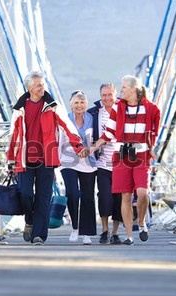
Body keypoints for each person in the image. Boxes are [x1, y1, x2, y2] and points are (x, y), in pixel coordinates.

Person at [6, 71, 86, 245]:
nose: (42, 87)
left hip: (47, 158)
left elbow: (67, 126)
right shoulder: (20, 108)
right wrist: (10, 159)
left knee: (43, 197)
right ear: (29, 88)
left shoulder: (52, 105)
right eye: (38, 85)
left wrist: (77, 145)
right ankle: (29, 219)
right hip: (25, 159)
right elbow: (13, 135)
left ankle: (39, 235)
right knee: (25, 194)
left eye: (43, 84)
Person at [90, 75, 160, 245]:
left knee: (143, 193)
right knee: (126, 196)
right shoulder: (118, 108)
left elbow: (154, 133)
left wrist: (152, 148)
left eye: (123, 88)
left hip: (141, 156)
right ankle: (129, 236)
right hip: (121, 156)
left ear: (133, 90)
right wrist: (93, 147)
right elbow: (109, 133)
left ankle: (142, 222)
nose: (120, 91)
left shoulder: (151, 109)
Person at [59, 90, 97, 245]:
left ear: (86, 104)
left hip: (88, 162)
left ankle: (86, 233)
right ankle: (75, 226)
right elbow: (58, 139)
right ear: (71, 104)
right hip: (68, 160)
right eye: (76, 102)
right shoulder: (65, 119)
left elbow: (101, 137)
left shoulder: (92, 119)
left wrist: (90, 150)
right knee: (73, 193)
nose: (79, 105)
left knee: (88, 196)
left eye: (82, 102)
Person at [87, 83, 122, 244]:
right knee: (104, 196)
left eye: (110, 95)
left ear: (115, 95)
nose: (107, 98)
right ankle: (104, 231)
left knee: (119, 199)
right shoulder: (95, 113)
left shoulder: (124, 110)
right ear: (100, 96)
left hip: (121, 164)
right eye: (104, 95)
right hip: (102, 163)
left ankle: (115, 233)